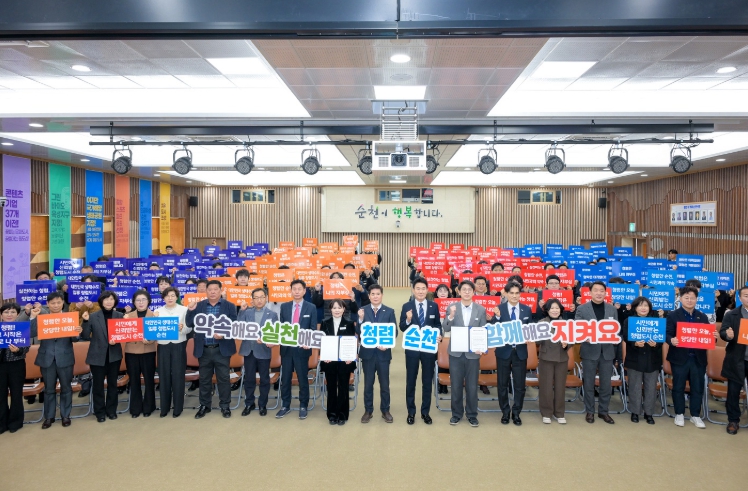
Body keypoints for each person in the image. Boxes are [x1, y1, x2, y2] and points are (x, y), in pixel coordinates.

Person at [28, 292, 81, 429]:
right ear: (48, 304)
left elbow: (75, 339)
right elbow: (31, 333)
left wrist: (77, 331)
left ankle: (65, 415)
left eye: (58, 302)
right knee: (49, 389)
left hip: (65, 357)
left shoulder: (69, 318)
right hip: (47, 358)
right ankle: (49, 417)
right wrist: (33, 317)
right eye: (52, 303)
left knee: (66, 388)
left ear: (63, 303)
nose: (56, 305)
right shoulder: (42, 318)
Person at [185, 280, 238, 419]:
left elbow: (234, 325)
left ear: (221, 290)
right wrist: (190, 310)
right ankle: (205, 405)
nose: (213, 292)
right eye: (210, 289)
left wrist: (224, 333)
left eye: (215, 289)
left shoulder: (230, 306)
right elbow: (189, 323)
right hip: (204, 349)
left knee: (223, 378)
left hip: (222, 349)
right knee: (204, 379)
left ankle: (225, 406)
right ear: (206, 291)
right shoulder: (199, 305)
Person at [666, 286, 713, 429]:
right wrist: (671, 340)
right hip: (679, 357)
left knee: (697, 387)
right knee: (678, 386)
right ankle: (679, 413)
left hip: (698, 358)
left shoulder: (702, 317)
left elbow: (708, 337)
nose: (689, 300)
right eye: (686, 297)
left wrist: (714, 336)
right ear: (680, 299)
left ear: (697, 299)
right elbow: (667, 334)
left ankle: (695, 415)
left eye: (692, 298)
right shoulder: (673, 315)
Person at [443, 280, 486, 427]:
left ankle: (472, 415)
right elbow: (445, 328)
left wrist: (481, 346)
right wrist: (451, 316)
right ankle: (456, 414)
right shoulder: (452, 307)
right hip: (456, 354)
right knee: (455, 385)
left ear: (474, 292)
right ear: (459, 292)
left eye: (469, 290)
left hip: (473, 354)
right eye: (464, 290)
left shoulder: (480, 310)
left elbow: (483, 330)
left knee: (472, 386)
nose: (467, 292)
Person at [399, 278, 442, 425]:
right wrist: (408, 320)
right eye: (418, 288)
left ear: (427, 290)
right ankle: (411, 412)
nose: (421, 291)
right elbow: (402, 327)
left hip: (428, 349)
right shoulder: (407, 306)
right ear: (413, 290)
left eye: (423, 288)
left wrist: (439, 335)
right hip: (412, 350)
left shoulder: (433, 306)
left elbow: (437, 324)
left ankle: (425, 412)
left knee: (427, 382)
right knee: (411, 381)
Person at [575, 280, 619, 424]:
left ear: (605, 293)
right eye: (596, 290)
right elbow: (577, 328)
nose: (599, 293)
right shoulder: (582, 309)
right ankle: (590, 411)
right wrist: (584, 336)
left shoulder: (612, 309)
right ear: (590, 292)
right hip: (589, 350)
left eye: (602, 291)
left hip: (607, 351)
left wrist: (615, 338)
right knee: (588, 383)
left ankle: (603, 411)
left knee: (606, 384)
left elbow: (616, 329)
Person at [490, 281, 533, 425]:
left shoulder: (526, 310)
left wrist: (529, 336)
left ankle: (516, 413)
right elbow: (492, 329)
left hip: (520, 352)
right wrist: (496, 317)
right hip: (503, 352)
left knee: (520, 385)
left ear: (520, 294)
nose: (514, 296)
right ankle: (505, 412)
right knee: (502, 384)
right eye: (511, 293)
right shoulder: (499, 309)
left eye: (517, 293)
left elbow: (530, 328)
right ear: (506, 294)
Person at [276, 279, 317, 420]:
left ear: (304, 291)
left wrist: (308, 342)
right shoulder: (285, 307)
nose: (297, 291)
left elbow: (312, 328)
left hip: (302, 349)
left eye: (300, 289)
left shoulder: (311, 307)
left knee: (302, 378)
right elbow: (281, 327)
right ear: (291, 291)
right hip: (287, 349)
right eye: (294, 289)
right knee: (286, 378)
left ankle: (303, 405)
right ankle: (285, 405)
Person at [81, 290, 124, 422]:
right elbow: (85, 336)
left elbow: (125, 334)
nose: (109, 302)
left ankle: (111, 410)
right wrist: (85, 321)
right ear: (101, 301)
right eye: (106, 299)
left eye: (111, 299)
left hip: (114, 355)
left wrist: (118, 339)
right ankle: (99, 412)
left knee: (112, 384)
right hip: (97, 355)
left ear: (115, 301)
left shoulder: (120, 316)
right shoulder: (93, 316)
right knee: (98, 385)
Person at [357, 284, 397, 424]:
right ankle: (368, 410)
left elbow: (394, 332)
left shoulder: (389, 311)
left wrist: (387, 345)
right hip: (368, 354)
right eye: (372, 294)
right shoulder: (362, 310)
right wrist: (360, 320)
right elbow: (358, 332)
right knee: (368, 384)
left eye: (378, 294)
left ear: (382, 295)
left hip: (383, 354)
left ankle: (385, 410)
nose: (375, 296)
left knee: (384, 384)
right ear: (369, 296)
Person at [237, 287, 277, 417]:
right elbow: (238, 326)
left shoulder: (272, 314)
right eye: (256, 298)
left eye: (262, 297)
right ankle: (249, 403)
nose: (259, 300)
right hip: (249, 350)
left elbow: (275, 334)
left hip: (263, 350)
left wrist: (267, 340)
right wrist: (242, 311)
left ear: (266, 298)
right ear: (252, 300)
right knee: (249, 379)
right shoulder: (247, 312)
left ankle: (262, 404)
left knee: (264, 379)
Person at [622, 296, 662, 425]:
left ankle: (649, 413)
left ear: (649, 308)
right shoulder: (629, 321)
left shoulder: (657, 321)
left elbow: (661, 340)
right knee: (634, 386)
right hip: (635, 358)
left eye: (646, 305)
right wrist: (634, 343)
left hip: (652, 359)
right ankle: (635, 411)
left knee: (651, 387)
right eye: (640, 305)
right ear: (635, 308)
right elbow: (626, 337)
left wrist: (656, 344)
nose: (643, 308)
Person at [320, 299, 357, 425]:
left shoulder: (350, 323)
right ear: (330, 309)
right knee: (330, 388)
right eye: (334, 308)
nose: (337, 310)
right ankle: (332, 414)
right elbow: (322, 342)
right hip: (329, 361)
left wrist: (350, 356)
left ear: (344, 309)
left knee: (343, 388)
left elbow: (352, 342)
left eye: (339, 308)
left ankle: (342, 414)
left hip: (344, 362)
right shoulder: (324, 323)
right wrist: (324, 355)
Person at [155, 286, 190, 418]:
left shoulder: (184, 310)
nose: (170, 298)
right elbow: (152, 330)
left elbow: (189, 329)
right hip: (163, 345)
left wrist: (182, 328)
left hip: (178, 345)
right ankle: (164, 408)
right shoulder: (157, 311)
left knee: (178, 376)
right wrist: (154, 320)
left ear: (177, 297)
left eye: (172, 296)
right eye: (167, 296)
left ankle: (178, 408)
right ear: (163, 298)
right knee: (163, 376)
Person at [123, 290, 157, 418]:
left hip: (148, 351)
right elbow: (122, 333)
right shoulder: (127, 316)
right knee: (134, 380)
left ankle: (149, 407)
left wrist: (150, 340)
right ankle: (135, 408)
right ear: (134, 302)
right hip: (131, 352)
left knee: (149, 380)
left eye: (143, 299)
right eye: (138, 300)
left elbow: (158, 332)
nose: (141, 302)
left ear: (148, 301)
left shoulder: (154, 315)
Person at [720, 286, 748, 434]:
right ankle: (733, 420)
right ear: (740, 297)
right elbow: (723, 332)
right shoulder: (732, 314)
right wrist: (728, 335)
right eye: (746, 295)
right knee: (733, 391)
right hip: (737, 358)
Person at [537, 299, 570, 424]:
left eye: (557, 308)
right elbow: (537, 342)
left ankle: (559, 413)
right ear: (547, 310)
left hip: (562, 358)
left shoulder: (566, 323)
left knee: (560, 386)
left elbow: (572, 339)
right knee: (546, 386)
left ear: (560, 310)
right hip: (546, 357)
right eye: (552, 308)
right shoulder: (542, 323)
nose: (555, 310)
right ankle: (546, 412)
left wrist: (567, 344)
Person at [0, 302, 29, 433]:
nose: (9, 314)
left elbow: (26, 348)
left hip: (16, 365)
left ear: (17, 314)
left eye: (12, 312)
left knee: (16, 394)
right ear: (1, 315)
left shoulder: (22, 328)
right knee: (1, 395)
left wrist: (18, 350)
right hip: (1, 366)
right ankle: (2, 423)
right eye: (6, 312)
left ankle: (15, 422)